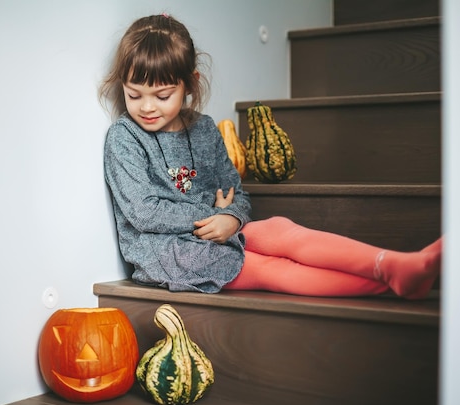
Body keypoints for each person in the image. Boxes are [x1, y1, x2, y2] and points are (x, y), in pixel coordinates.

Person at [98, 14, 442, 300]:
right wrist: (213, 213)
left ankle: (391, 264)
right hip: (164, 252)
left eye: (162, 95)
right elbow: (145, 213)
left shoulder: (203, 130)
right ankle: (393, 283)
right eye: (134, 94)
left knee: (281, 231)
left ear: (189, 85)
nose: (146, 106)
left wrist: (232, 216)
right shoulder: (124, 138)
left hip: (214, 229)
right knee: (268, 267)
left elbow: (237, 191)